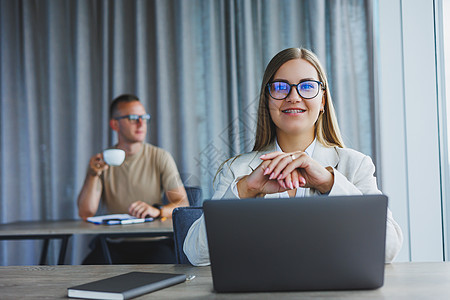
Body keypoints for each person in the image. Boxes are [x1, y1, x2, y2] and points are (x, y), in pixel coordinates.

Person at [183, 47, 403, 266]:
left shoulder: (355, 165)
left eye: (307, 86)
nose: (293, 97)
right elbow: (196, 254)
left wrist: (330, 183)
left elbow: (389, 249)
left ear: (323, 101)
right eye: (280, 87)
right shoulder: (236, 170)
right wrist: (247, 190)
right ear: (267, 100)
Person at [77, 94, 189, 264]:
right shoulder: (101, 162)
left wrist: (157, 211)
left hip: (155, 243)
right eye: (132, 118)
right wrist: (93, 175)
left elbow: (183, 204)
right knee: (85, 272)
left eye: (143, 117)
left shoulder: (160, 157)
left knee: (168, 272)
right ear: (115, 124)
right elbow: (86, 213)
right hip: (114, 244)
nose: (141, 123)